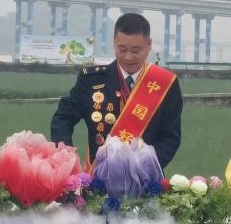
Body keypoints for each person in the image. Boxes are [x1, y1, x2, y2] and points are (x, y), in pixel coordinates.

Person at [51, 13, 182, 169]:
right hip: (98, 178)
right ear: (114, 43)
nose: (128, 57)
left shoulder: (164, 84)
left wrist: (142, 168)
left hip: (145, 178)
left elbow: (170, 138)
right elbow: (63, 118)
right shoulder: (92, 80)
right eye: (122, 49)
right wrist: (67, 158)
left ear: (149, 45)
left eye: (136, 51)